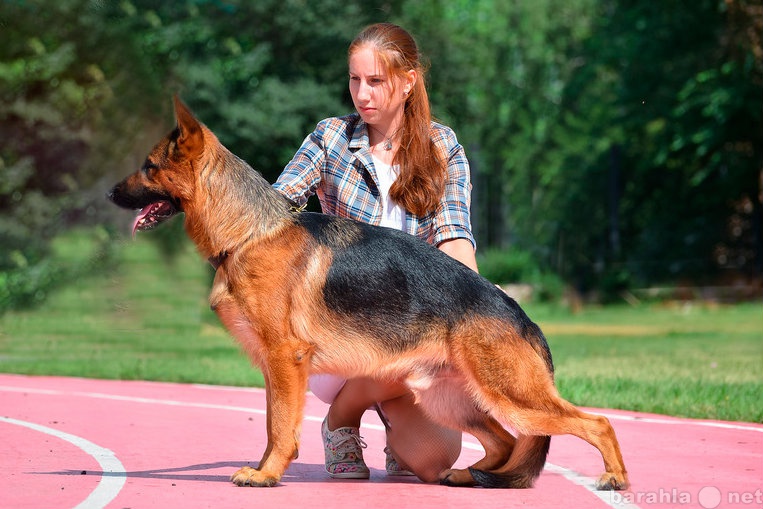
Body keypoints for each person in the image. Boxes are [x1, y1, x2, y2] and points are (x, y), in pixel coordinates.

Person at [273, 22, 478, 483]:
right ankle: (342, 418)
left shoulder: (442, 147)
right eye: (354, 79)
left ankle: (389, 410)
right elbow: (275, 208)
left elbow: (454, 235)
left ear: (408, 82)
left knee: (432, 461)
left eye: (375, 81)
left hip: (410, 330)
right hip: (338, 328)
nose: (361, 94)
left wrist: (477, 306)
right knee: (409, 351)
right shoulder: (330, 137)